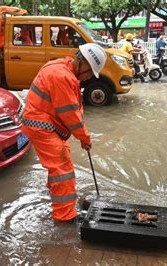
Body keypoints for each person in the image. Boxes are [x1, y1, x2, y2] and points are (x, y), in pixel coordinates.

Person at [21, 43, 107, 223]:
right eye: (90, 73)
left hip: (45, 124)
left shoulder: (62, 68)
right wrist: (84, 138)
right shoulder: (61, 76)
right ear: (83, 64)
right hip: (42, 126)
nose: (89, 77)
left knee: (60, 163)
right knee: (63, 169)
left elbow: (73, 110)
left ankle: (58, 194)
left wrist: (82, 135)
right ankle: (64, 216)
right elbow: (70, 115)